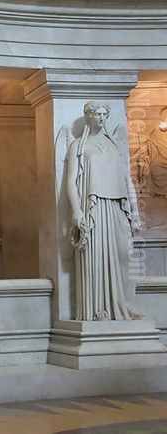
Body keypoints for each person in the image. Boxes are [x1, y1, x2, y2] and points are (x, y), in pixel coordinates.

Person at [66, 103, 141, 321]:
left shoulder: (114, 145)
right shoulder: (79, 145)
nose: (101, 118)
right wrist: (76, 210)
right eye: (96, 114)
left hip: (117, 206)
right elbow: (71, 181)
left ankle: (121, 304)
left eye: (104, 114)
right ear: (88, 116)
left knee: (123, 253)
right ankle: (98, 309)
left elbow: (126, 179)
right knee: (96, 256)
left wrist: (135, 210)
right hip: (95, 207)